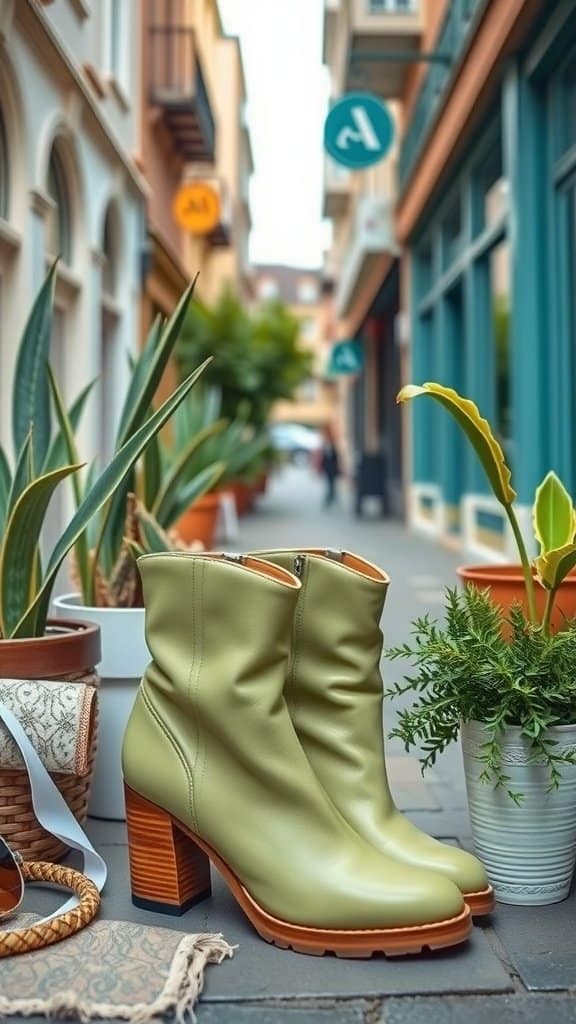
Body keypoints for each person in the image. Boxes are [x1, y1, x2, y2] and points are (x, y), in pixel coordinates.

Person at [319, 425, 341, 507]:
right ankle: (330, 498)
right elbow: (323, 458)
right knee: (329, 484)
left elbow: (337, 457)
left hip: (333, 468)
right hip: (327, 468)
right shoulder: (324, 445)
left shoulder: (333, 444)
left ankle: (331, 498)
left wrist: (338, 467)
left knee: (332, 484)